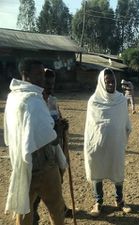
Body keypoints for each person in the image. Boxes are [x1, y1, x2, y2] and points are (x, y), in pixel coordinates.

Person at [4, 59, 67, 225]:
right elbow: (49, 139)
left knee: (25, 210)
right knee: (56, 208)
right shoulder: (32, 100)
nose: (42, 78)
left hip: (22, 164)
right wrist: (58, 132)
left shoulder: (13, 97)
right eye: (38, 74)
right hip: (43, 165)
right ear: (26, 75)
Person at [84, 68, 132, 217]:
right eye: (107, 81)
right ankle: (98, 202)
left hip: (116, 144)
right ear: (101, 82)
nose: (110, 83)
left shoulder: (121, 100)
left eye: (112, 81)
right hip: (97, 144)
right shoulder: (94, 101)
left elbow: (125, 123)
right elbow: (90, 126)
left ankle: (120, 201)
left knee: (117, 170)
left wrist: (124, 133)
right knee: (97, 170)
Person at [33, 68, 72, 225]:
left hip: (56, 147)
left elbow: (57, 119)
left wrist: (62, 125)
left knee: (57, 181)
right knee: (36, 188)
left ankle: (60, 207)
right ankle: (33, 214)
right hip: (40, 152)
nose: (50, 86)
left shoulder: (53, 100)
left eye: (52, 83)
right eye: (47, 83)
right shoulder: (35, 102)